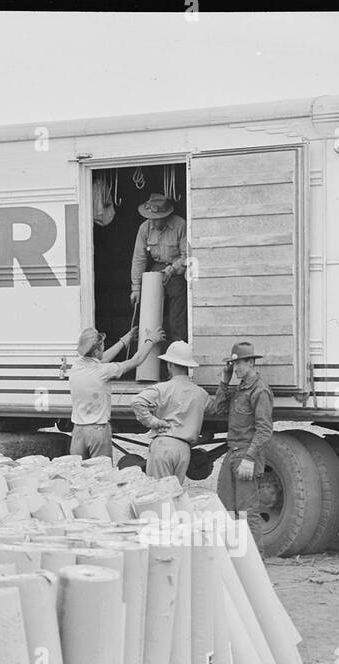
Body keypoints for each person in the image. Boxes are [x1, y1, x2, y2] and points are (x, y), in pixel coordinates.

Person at [205, 341, 273, 545]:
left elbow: (264, 430)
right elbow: (217, 409)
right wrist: (224, 382)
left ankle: (255, 563)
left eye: (240, 364)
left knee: (247, 512)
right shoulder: (240, 389)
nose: (235, 369)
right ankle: (236, 556)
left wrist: (249, 458)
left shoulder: (260, 391)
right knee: (225, 507)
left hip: (245, 455)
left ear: (252, 362)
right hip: (233, 452)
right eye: (233, 365)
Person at [69, 325, 162, 460]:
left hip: (78, 432)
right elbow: (136, 360)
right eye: (102, 346)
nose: (104, 348)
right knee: (101, 474)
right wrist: (151, 340)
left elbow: (102, 358)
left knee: (77, 473)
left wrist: (125, 340)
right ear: (95, 353)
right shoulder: (103, 371)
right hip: (98, 431)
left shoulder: (76, 366)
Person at [131, 341, 209, 481]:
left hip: (164, 446)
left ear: (170, 365)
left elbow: (137, 402)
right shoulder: (201, 394)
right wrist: (225, 385)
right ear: (188, 366)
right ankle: (169, 505)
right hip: (184, 450)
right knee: (174, 493)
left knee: (161, 495)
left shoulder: (162, 388)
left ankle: (165, 505)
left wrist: (153, 422)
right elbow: (217, 407)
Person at [130, 194, 188, 353]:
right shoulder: (144, 228)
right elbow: (139, 258)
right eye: (150, 217)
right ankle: (150, 359)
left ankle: (178, 358)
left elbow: (187, 255)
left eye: (157, 218)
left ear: (166, 215)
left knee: (176, 319)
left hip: (176, 271)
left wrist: (173, 269)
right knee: (152, 315)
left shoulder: (180, 225)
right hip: (156, 269)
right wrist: (136, 287)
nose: (153, 221)